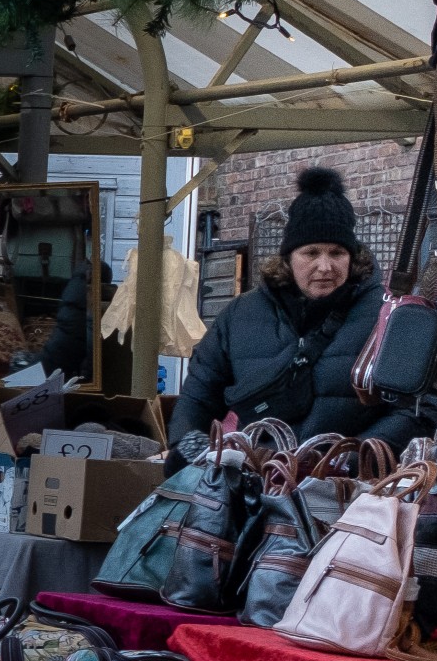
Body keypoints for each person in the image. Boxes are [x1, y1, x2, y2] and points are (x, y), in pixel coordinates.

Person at [174, 166, 419, 451]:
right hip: (258, 471)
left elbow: (414, 409)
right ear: (289, 258)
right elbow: (198, 396)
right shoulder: (240, 315)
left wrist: (352, 457)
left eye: (337, 253)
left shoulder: (388, 317)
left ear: (352, 257)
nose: (325, 266)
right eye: (311, 253)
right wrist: (188, 448)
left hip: (352, 474)